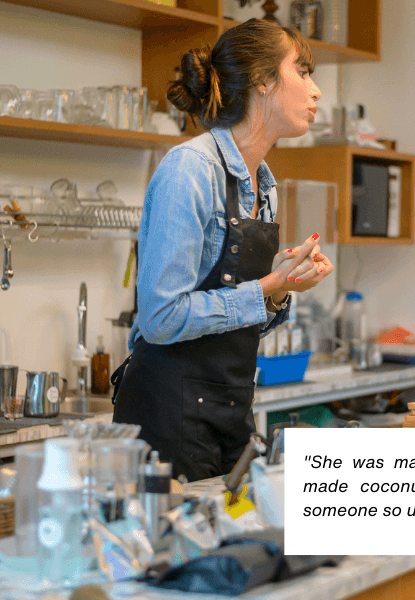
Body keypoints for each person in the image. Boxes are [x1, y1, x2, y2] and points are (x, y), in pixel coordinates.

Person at [111, 19, 333, 482]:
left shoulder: (263, 183)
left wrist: (279, 289)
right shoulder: (189, 170)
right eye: (304, 72)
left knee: (238, 541)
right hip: (167, 416)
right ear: (264, 81)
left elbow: (237, 320)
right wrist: (263, 289)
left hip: (231, 409)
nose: (316, 91)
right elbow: (162, 316)